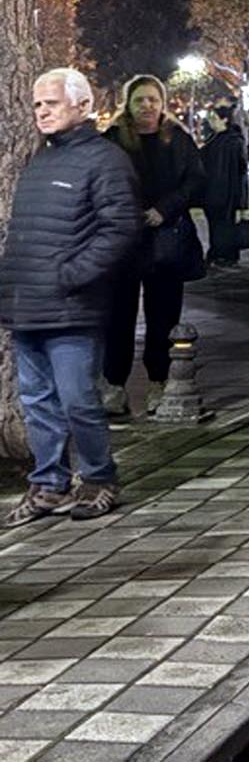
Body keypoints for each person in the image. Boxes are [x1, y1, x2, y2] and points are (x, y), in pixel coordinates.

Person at [1, 69, 141, 527]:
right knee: (37, 399)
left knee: (79, 398)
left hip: (72, 305)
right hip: (29, 303)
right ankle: (49, 483)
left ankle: (99, 479)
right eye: (37, 104)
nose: (41, 112)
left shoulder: (105, 161)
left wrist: (72, 275)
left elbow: (120, 227)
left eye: (51, 103)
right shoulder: (41, 160)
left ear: (82, 106)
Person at [100, 74, 205, 416]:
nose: (147, 106)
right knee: (118, 316)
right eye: (140, 100)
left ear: (163, 103)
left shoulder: (178, 139)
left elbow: (196, 181)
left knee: (163, 315)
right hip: (124, 241)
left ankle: (160, 381)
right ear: (127, 105)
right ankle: (114, 384)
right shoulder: (113, 141)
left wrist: (166, 208)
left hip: (166, 239)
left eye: (153, 100)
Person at [197, 104, 249, 268]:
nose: (211, 121)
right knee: (217, 225)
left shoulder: (231, 141)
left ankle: (223, 254)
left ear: (224, 120)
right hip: (214, 191)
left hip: (225, 192)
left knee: (223, 225)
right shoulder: (217, 139)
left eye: (214, 118)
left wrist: (238, 196)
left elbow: (240, 169)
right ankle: (220, 253)